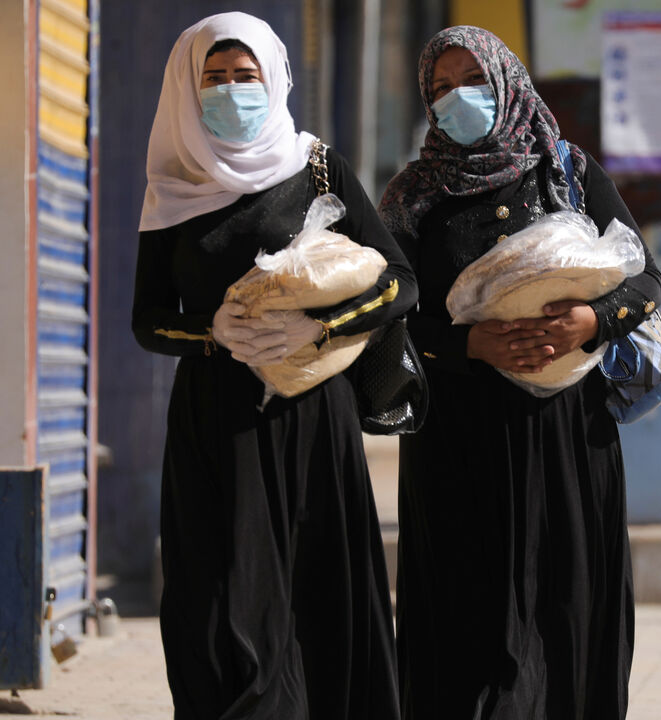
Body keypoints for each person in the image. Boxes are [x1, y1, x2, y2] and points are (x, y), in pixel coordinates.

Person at [131, 12, 414, 719]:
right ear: (189, 90)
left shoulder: (316, 166)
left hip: (313, 416)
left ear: (274, 77)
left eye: (245, 75)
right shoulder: (174, 181)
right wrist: (211, 332)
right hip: (214, 421)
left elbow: (398, 283)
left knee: (319, 586)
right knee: (220, 591)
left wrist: (319, 325)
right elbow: (146, 320)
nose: (231, 91)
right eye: (214, 78)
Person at [379, 25, 661, 720]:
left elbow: (646, 280)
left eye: (471, 80)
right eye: (440, 88)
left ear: (506, 82)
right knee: (469, 628)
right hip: (458, 444)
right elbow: (387, 320)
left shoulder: (566, 170)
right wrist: (471, 347)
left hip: (567, 438)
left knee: (568, 611)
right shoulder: (412, 199)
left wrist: (589, 323)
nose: (456, 98)